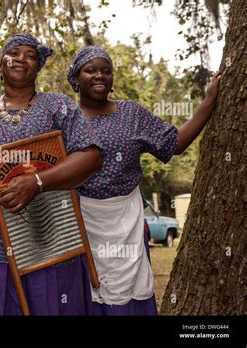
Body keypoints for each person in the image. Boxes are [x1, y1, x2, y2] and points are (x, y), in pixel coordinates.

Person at [67, 45, 222, 315]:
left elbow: (175, 144)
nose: (100, 76)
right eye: (90, 70)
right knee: (87, 296)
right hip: (82, 223)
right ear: (76, 79)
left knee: (129, 296)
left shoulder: (131, 114)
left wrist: (208, 102)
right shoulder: (65, 118)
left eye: (106, 71)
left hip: (126, 223)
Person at [0, 34, 103, 315]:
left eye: (30, 55)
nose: (20, 58)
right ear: (0, 65)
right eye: (13, 52)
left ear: (38, 67)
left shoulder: (57, 106)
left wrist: (37, 183)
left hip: (49, 244)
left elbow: (91, 157)